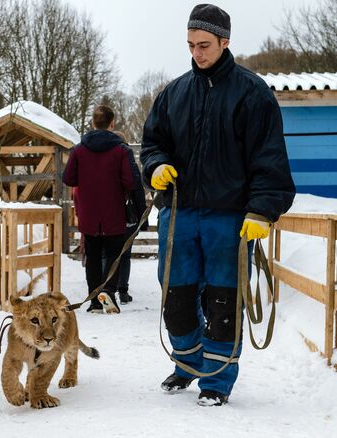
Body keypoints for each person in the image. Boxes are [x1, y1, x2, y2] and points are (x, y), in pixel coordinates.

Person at [140, 4, 295, 406]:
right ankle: (186, 364)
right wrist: (156, 167)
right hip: (181, 213)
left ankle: (217, 381)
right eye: (190, 45)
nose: (197, 53)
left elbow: (270, 158)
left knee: (223, 301)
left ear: (225, 42)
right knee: (175, 297)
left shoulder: (252, 93)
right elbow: (154, 143)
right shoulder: (174, 93)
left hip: (229, 218)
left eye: (204, 45)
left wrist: (262, 210)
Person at [63, 105, 136, 314]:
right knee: (114, 255)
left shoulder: (78, 150)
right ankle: (109, 293)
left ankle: (94, 300)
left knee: (93, 256)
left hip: (88, 212)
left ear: (93, 123)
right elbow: (130, 181)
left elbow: (68, 178)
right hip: (114, 211)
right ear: (112, 124)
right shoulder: (121, 150)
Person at [103, 130, 149, 304]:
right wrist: (143, 216)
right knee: (125, 254)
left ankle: (105, 289)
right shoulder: (128, 161)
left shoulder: (104, 160)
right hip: (127, 215)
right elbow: (137, 190)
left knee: (107, 254)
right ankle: (122, 290)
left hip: (107, 214)